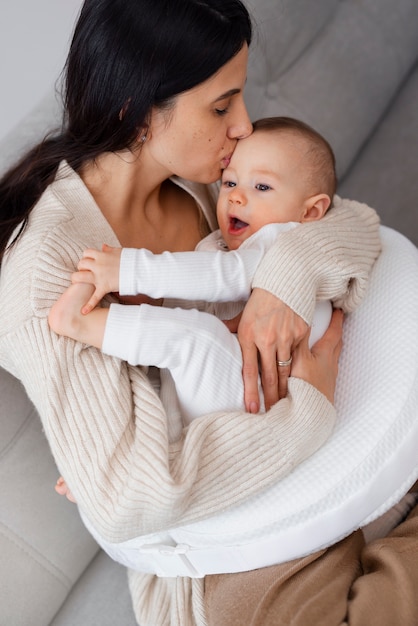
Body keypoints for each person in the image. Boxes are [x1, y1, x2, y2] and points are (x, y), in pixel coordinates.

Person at [0, 1, 384, 624]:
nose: (244, 126)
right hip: (210, 546)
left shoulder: (210, 181)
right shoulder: (49, 269)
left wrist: (281, 283)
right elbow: (130, 494)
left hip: (303, 469)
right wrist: (307, 415)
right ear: (138, 110)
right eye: (221, 106)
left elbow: (355, 225)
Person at [48, 117, 336, 422]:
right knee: (192, 341)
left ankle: (79, 323)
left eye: (262, 186)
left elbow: (226, 276)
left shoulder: (285, 240)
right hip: (217, 394)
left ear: (311, 211)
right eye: (229, 182)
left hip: (257, 398)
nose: (236, 196)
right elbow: (193, 306)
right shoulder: (218, 245)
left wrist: (128, 270)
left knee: (200, 338)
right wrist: (149, 301)